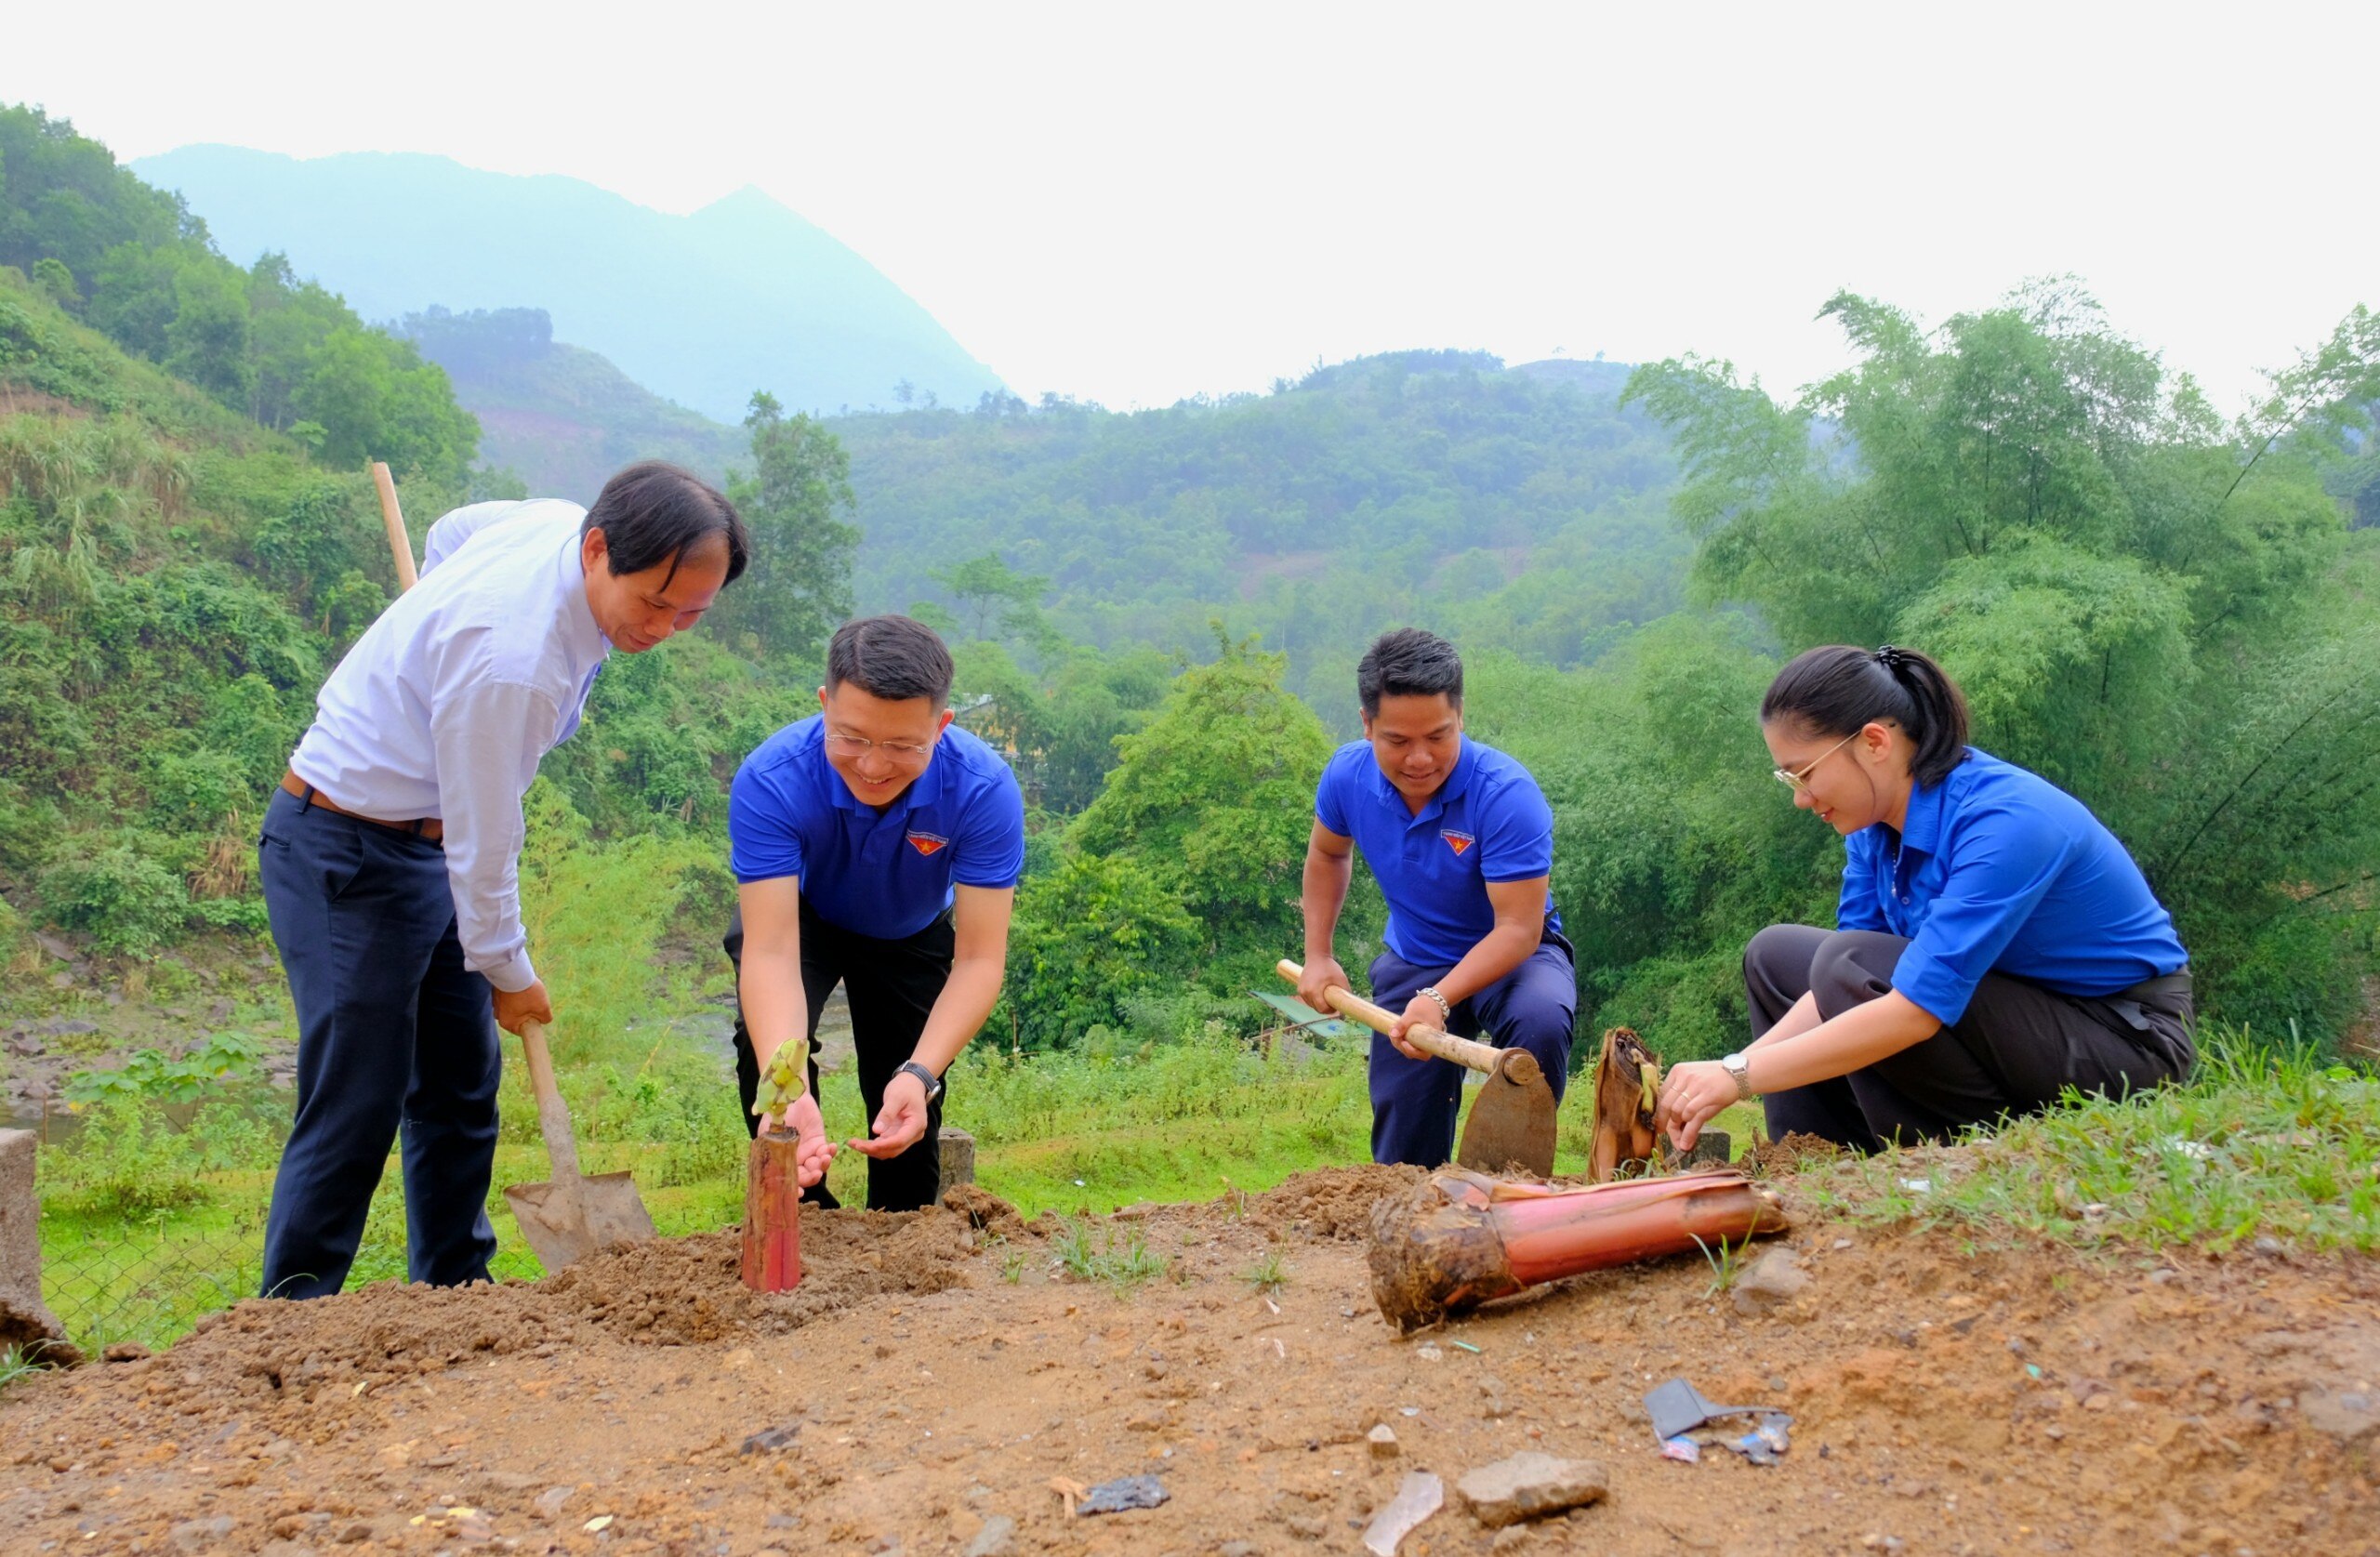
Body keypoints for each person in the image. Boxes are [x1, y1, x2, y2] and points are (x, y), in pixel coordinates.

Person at [258, 462, 748, 1299]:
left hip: (429, 844)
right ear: (597, 549)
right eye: (653, 603)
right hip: (347, 846)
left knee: (459, 1081)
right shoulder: (512, 662)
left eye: (690, 612)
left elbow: (452, 529)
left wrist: (437, 617)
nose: (665, 627)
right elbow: (487, 847)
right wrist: (510, 971)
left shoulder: (554, 523)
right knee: (359, 1093)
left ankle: (454, 1288)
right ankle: (291, 1317)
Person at [1655, 644, 2193, 1155]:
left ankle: (1938, 1153)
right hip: (2008, 1011)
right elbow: (1834, 986)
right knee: (1777, 957)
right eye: (1787, 778)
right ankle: (1814, 1156)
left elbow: (1913, 1009)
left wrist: (1739, 1079)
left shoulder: (2006, 821)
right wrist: (1731, 1066)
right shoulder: (1872, 828)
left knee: (1847, 963)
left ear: (1874, 742)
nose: (1800, 798)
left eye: (1806, 773)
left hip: (2124, 1039)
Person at [724, 614, 1025, 1211]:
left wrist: (921, 1073)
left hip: (911, 931)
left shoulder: (983, 790)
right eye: (853, 737)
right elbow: (772, 950)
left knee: (907, 1092)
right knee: (765, 1061)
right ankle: (807, 1216)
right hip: (804, 918)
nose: (873, 765)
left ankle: (903, 1235)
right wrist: (787, 1085)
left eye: (902, 745)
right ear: (824, 705)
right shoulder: (772, 779)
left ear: (941, 726)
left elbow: (980, 960)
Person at [1297, 627, 1578, 1168]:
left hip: (1514, 956)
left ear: (1460, 716)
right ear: (1366, 724)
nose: (1420, 759)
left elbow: (1518, 929)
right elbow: (1328, 855)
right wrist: (1319, 955)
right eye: (1397, 741)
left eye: (1438, 736)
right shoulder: (1346, 777)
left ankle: (1513, 1188)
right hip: (1417, 957)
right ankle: (1411, 1205)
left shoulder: (1506, 796)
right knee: (1405, 1145)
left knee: (1539, 1023)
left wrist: (1441, 999)